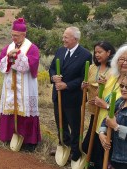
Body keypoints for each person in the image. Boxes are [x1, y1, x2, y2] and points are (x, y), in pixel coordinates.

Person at [0, 18, 41, 150]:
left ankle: (28, 141)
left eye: (16, 35)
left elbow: (29, 65)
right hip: (11, 84)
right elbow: (0, 62)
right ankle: (9, 136)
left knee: (26, 111)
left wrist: (18, 56)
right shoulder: (8, 47)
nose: (13, 38)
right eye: (12, 35)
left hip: (26, 85)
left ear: (24, 34)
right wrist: (8, 57)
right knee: (10, 109)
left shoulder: (32, 48)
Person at [49, 26, 92, 162]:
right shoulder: (61, 51)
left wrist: (67, 85)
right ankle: (63, 145)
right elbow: (51, 68)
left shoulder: (85, 55)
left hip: (73, 97)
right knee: (60, 123)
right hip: (58, 96)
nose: (63, 39)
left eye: (66, 37)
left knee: (75, 125)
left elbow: (83, 77)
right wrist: (53, 77)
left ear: (75, 39)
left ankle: (75, 151)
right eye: (64, 36)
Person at [81, 41, 116, 168]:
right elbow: (87, 85)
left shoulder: (113, 70)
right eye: (95, 52)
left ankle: (95, 162)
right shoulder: (92, 67)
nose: (97, 55)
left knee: (97, 139)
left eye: (100, 52)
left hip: (104, 111)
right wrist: (83, 86)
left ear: (109, 52)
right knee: (91, 138)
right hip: (92, 109)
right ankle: (91, 160)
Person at [94, 44, 127, 169]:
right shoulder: (112, 76)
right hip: (104, 126)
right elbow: (97, 98)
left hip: (119, 138)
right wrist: (99, 86)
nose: (124, 62)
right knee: (102, 161)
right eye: (121, 59)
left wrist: (107, 106)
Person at [99, 67, 127, 169]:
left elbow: (113, 124)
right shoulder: (120, 102)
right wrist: (102, 134)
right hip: (114, 156)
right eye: (122, 85)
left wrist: (116, 126)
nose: (123, 89)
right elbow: (106, 120)